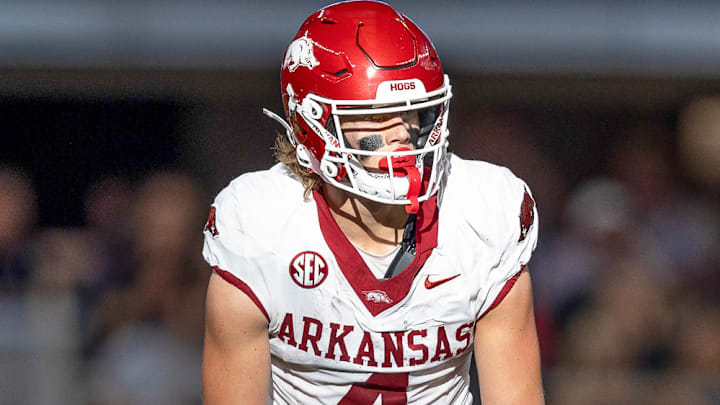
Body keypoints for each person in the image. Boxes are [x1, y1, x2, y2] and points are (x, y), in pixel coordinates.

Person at [202, 1, 543, 404]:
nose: (401, 132)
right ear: (313, 126)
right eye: (376, 115)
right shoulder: (260, 228)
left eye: (413, 111)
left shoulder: (482, 215)